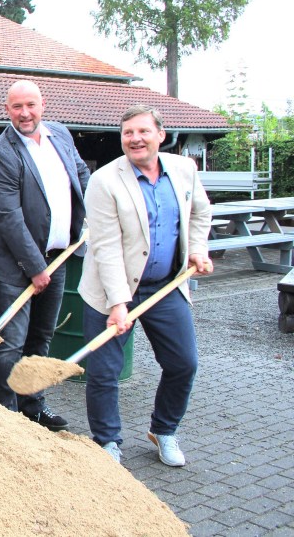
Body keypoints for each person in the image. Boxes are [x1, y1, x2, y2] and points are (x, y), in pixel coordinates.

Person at [79, 105, 212, 466]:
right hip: (110, 290)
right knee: (104, 372)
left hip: (166, 286)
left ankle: (164, 430)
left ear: (160, 135)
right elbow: (104, 247)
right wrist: (119, 302)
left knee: (183, 363)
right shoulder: (105, 181)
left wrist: (197, 249)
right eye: (127, 133)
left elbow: (201, 212)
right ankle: (107, 441)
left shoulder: (184, 170)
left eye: (142, 131)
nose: (135, 139)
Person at [0, 80, 90, 430]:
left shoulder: (60, 134)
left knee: (40, 338)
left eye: (30, 105)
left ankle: (33, 405)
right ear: (6, 109)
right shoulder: (0, 154)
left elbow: (81, 173)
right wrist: (34, 267)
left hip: (57, 257)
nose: (24, 113)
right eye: (17, 107)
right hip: (17, 265)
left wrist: (90, 215)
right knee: (11, 342)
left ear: (43, 104)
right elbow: (9, 219)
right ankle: (2, 415)